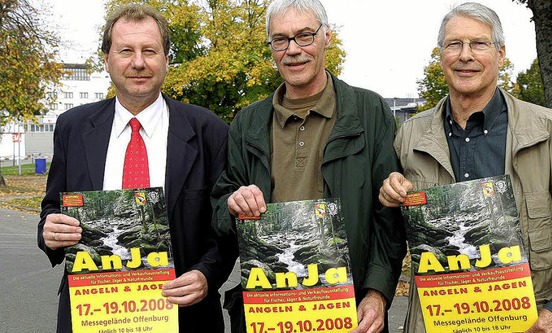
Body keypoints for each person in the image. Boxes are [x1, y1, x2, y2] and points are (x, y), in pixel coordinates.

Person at [378, 2, 552, 333]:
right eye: (454, 44)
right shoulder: (409, 137)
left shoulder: (549, 134)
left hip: (532, 323)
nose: (465, 55)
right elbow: (392, 236)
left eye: (478, 43)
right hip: (438, 322)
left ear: (500, 54)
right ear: (441, 55)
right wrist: (391, 194)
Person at [37, 4, 237, 332]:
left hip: (184, 315)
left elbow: (225, 228)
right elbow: (52, 207)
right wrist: (49, 231)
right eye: (126, 50)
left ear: (167, 60)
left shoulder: (209, 130)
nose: (139, 62)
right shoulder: (72, 127)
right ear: (107, 59)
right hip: (91, 313)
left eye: (150, 51)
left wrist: (206, 275)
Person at [209, 0, 406, 331]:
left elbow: (388, 217)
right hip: (269, 313)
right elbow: (221, 207)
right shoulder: (248, 123)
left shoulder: (369, 111)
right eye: (280, 39)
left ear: (326, 37)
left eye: (304, 36)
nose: (292, 50)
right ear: (271, 46)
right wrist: (231, 204)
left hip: (348, 312)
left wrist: (377, 294)